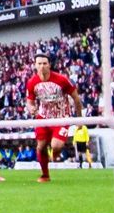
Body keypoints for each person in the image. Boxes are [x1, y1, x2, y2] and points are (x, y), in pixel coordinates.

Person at [23, 55, 80, 183]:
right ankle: (45, 175)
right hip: (43, 117)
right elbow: (29, 101)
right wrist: (31, 108)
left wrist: (79, 119)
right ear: (35, 65)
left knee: (56, 145)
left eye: (44, 63)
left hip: (61, 117)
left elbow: (76, 98)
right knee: (41, 146)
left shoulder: (62, 80)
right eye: (39, 63)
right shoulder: (32, 82)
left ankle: (55, 154)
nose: (42, 66)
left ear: (49, 65)